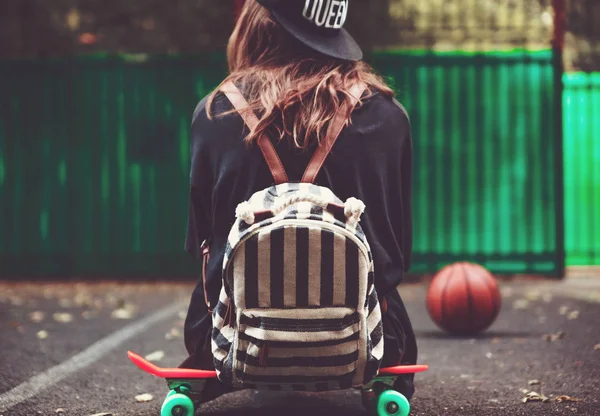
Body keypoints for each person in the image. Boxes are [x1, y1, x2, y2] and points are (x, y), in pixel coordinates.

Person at [181, 0, 418, 402]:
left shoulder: (214, 112)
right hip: (373, 341)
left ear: (258, 26)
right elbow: (397, 252)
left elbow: (200, 245)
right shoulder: (388, 115)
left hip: (229, 339)